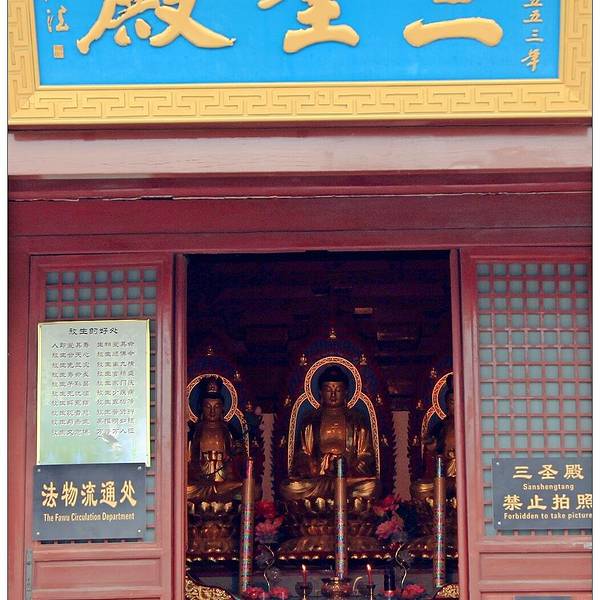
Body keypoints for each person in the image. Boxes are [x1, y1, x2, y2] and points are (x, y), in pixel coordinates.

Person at [280, 365, 380, 500]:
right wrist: (311, 466)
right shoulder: (310, 421)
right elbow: (302, 453)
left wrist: (349, 468)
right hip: (318, 479)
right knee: (289, 487)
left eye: (338, 390)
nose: (333, 395)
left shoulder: (357, 420)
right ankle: (337, 496)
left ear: (345, 393)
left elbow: (366, 455)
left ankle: (332, 495)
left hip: (348, 479)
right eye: (328, 390)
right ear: (320, 393)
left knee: (372, 486)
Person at [187, 376, 244, 503]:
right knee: (184, 490)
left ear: (222, 408)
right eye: (208, 406)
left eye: (217, 407)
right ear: (201, 408)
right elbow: (187, 463)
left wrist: (231, 470)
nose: (212, 411)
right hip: (200, 483)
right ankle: (215, 492)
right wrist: (197, 475)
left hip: (226, 482)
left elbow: (238, 461)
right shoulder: (193, 431)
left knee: (251, 489)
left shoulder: (230, 431)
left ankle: (216, 492)